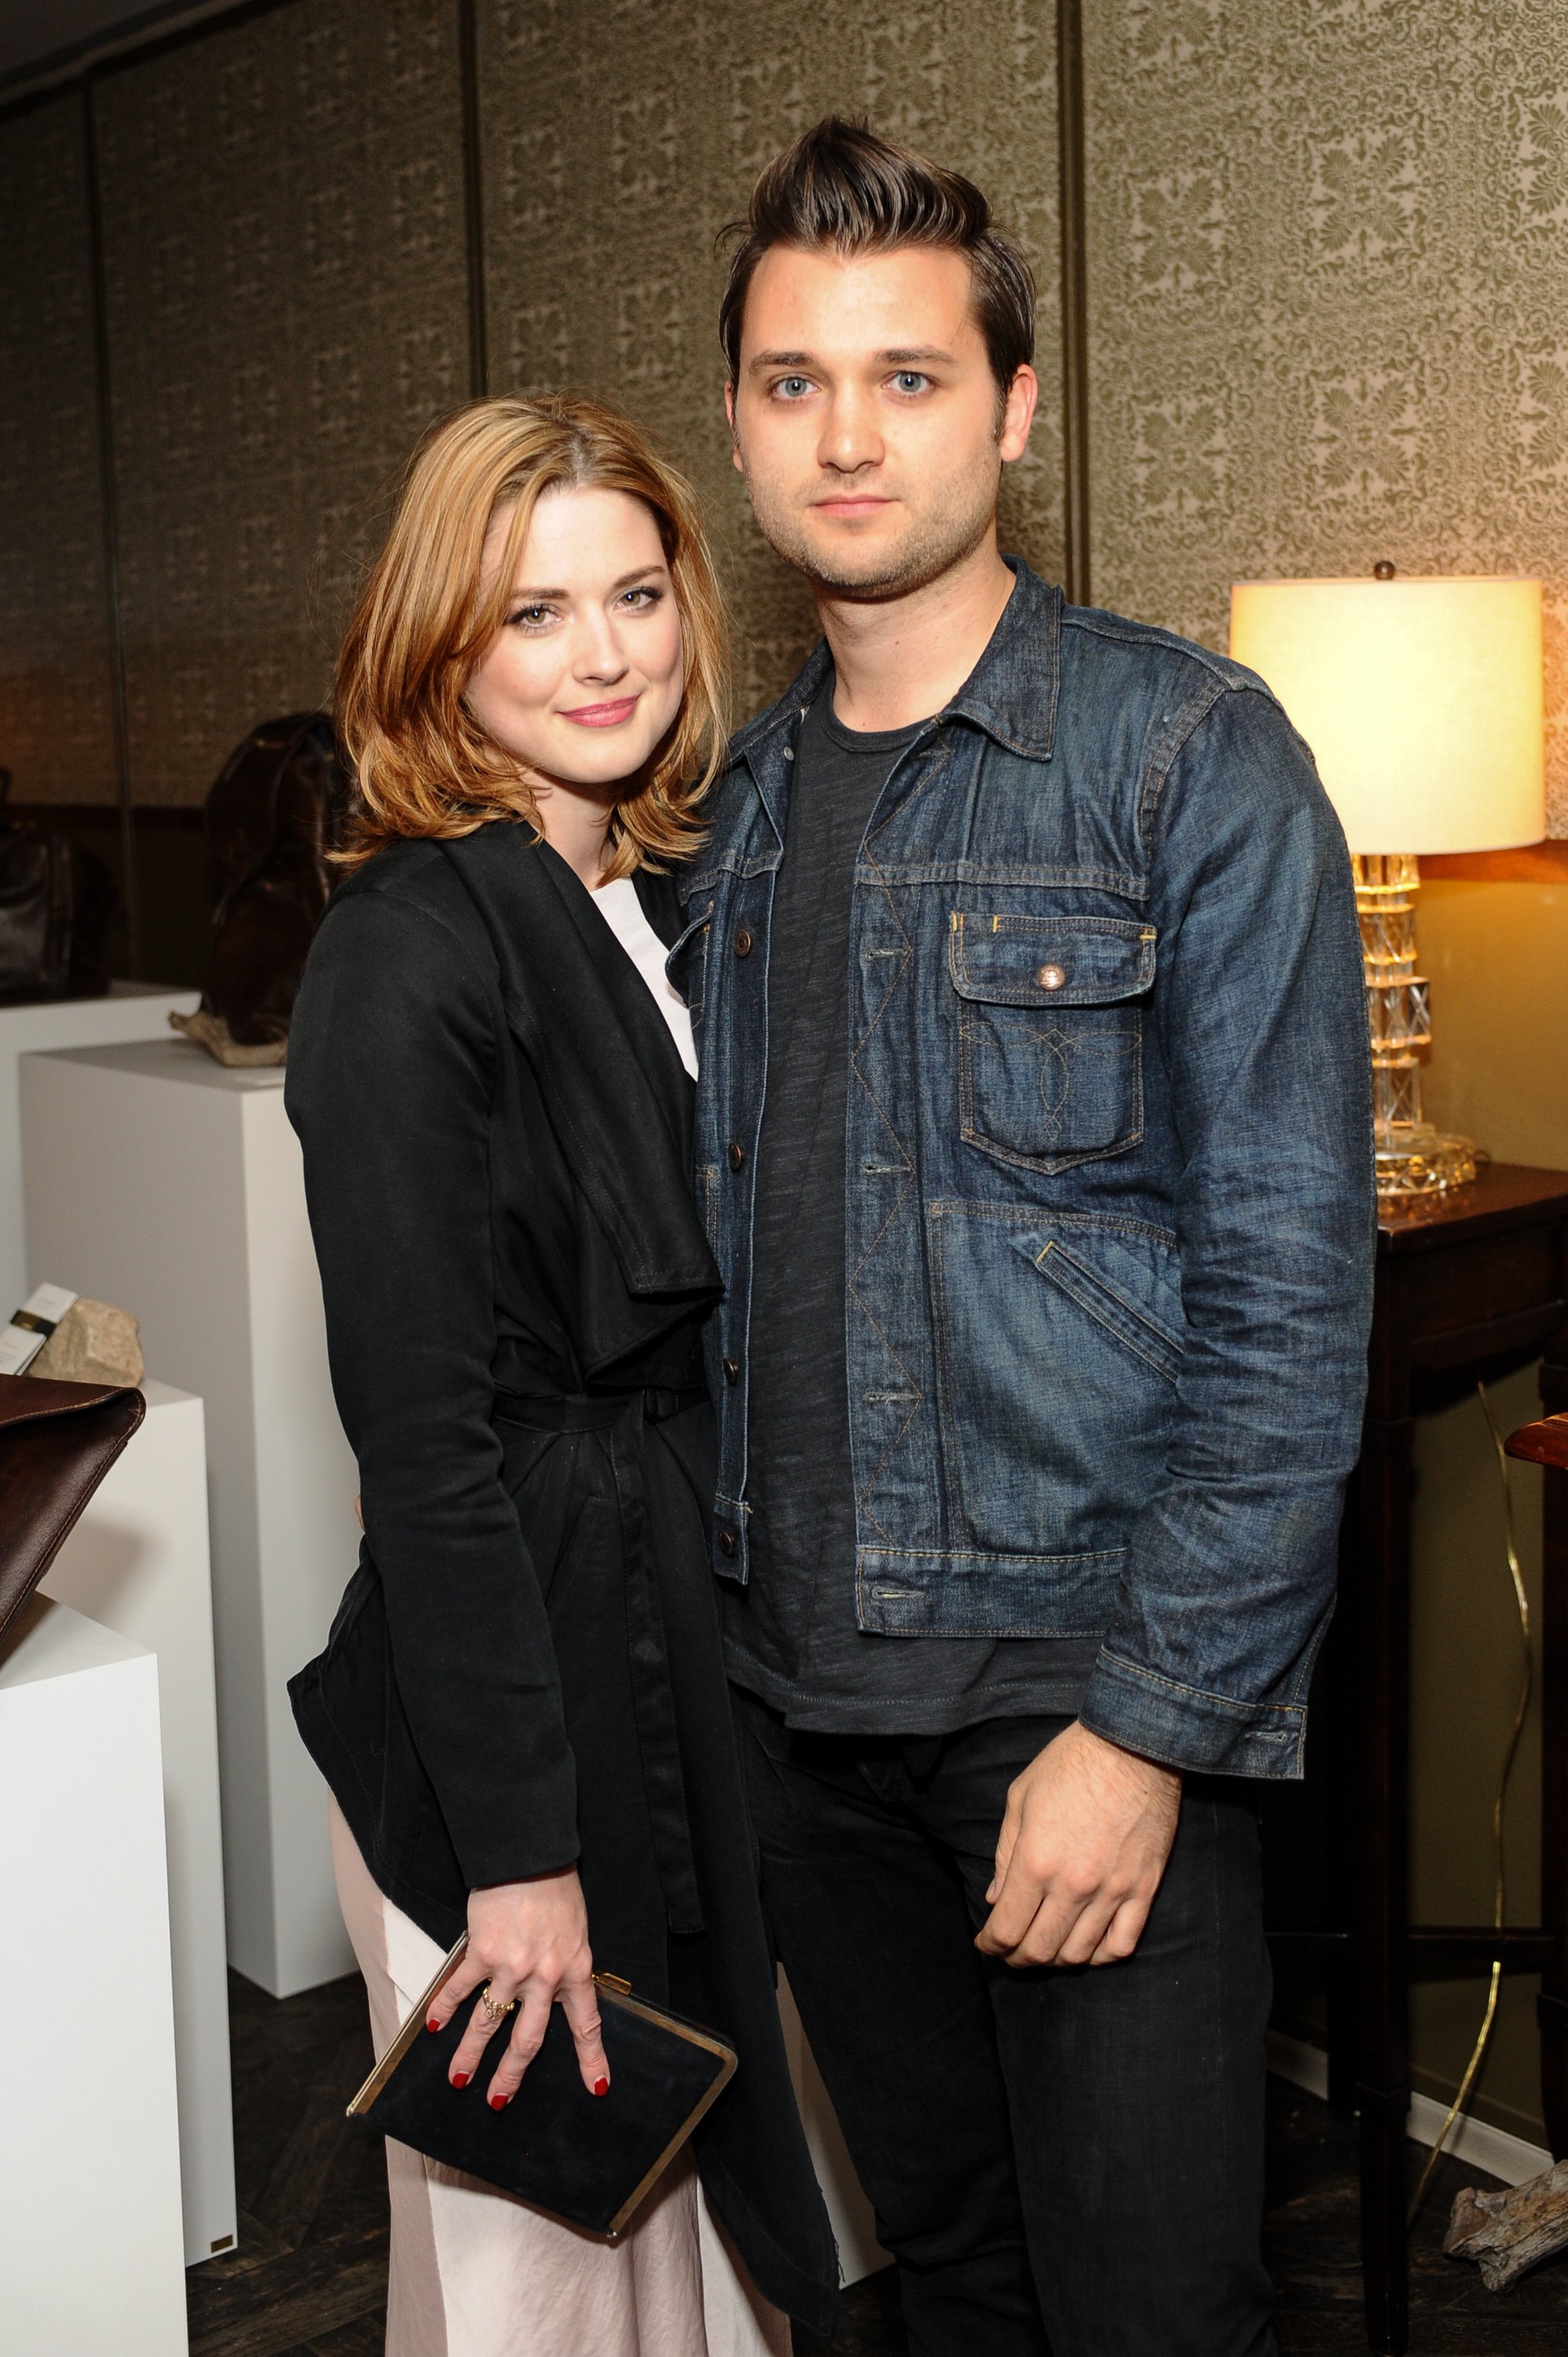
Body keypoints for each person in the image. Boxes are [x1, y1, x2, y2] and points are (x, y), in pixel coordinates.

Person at [678, 117, 1376, 2357]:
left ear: (1012, 407)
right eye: (794, 381)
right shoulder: (737, 809)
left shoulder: (1186, 756)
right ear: (738, 424)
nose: (846, 432)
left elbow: (1285, 1298)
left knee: (1152, 2313)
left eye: (904, 374)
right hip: (800, 1722)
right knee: (956, 2293)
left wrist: (1146, 1731)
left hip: (1069, 1712)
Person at [284, 394, 837, 2357]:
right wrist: (522, 1858)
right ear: (442, 645)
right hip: (502, 1722)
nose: (601, 655)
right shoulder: (406, 950)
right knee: (537, 2291)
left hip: (668, 1659)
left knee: (689, 2275)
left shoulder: (665, 897)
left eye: (634, 594)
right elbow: (421, 1452)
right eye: (533, 614)